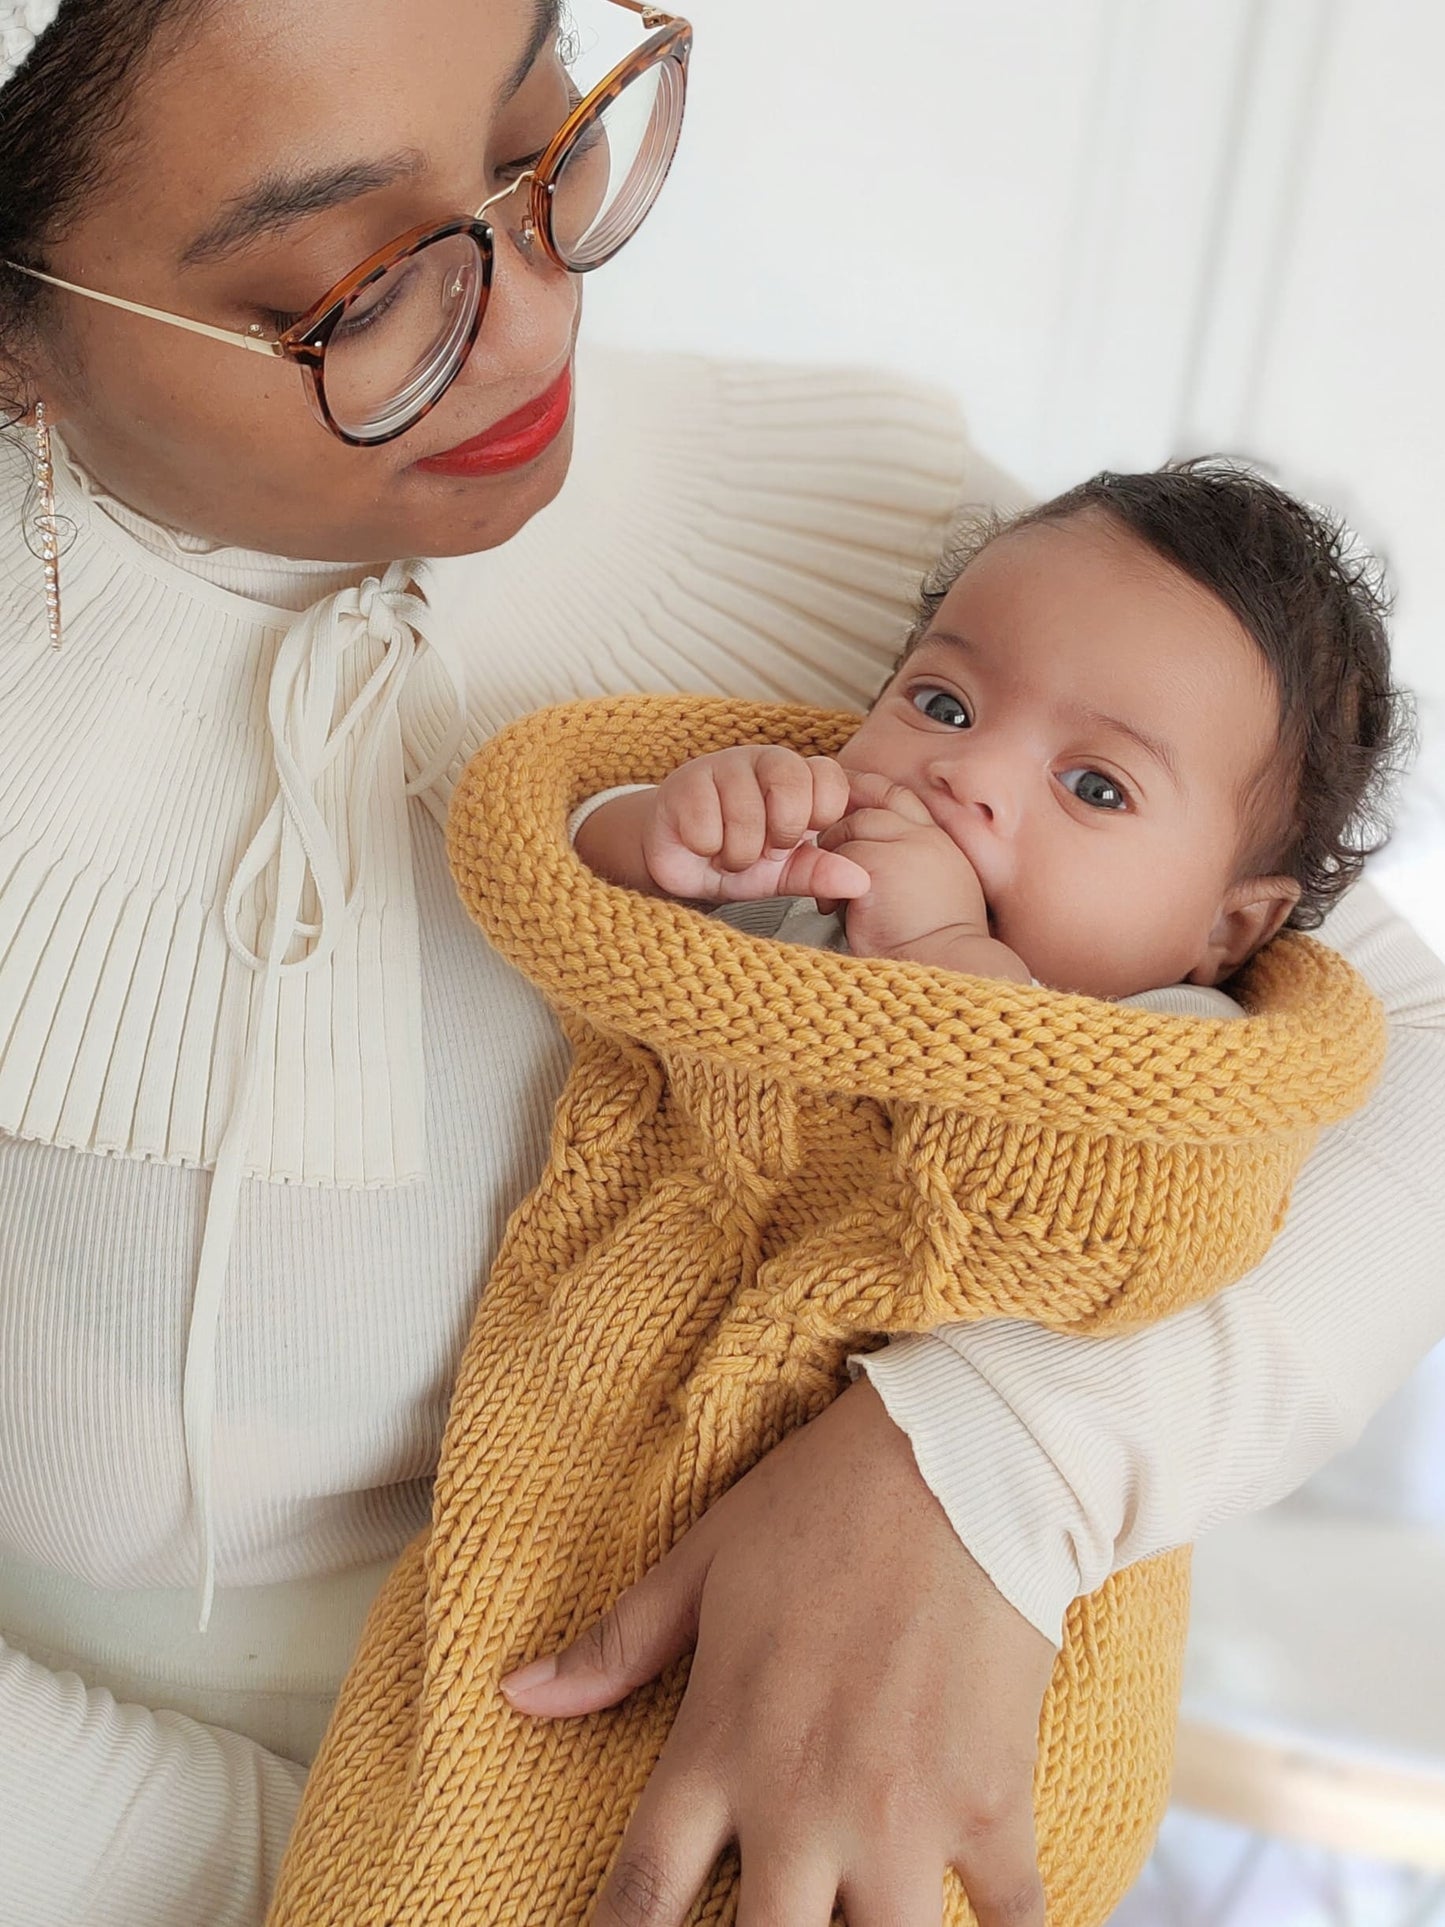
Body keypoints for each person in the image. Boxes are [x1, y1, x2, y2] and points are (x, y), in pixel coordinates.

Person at [0, 2, 1441, 1924]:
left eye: (541, 140)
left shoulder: (902, 553)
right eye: (351, 290)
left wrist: (998, 1460)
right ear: (19, 331)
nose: (526, 319)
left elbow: (1373, 1043)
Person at [574, 461, 1405, 1000]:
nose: (967, 774)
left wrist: (940, 945)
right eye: (944, 707)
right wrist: (673, 836)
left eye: (1095, 787)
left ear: (1223, 929)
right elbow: (580, 894)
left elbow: (1041, 1153)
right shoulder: (815, 877)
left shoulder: (1180, 1044)